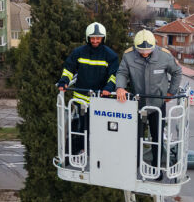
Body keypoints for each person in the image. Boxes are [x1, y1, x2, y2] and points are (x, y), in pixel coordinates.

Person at [115, 29, 183, 173]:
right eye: (141, 51)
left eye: (148, 51)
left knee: (157, 139)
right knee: (135, 137)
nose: (145, 53)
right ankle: (134, 167)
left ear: (154, 46)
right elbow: (122, 72)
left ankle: (156, 168)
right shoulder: (128, 56)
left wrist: (171, 92)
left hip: (157, 105)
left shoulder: (165, 56)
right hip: (137, 105)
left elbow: (177, 72)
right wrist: (120, 87)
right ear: (135, 47)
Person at [57, 22, 119, 154]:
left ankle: (96, 152)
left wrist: (108, 87)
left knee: (99, 129)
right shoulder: (78, 52)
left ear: (103, 38)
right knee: (82, 128)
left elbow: (114, 75)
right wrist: (64, 81)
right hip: (81, 100)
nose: (95, 41)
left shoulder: (110, 55)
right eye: (92, 38)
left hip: (100, 100)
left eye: (98, 38)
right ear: (87, 38)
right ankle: (81, 151)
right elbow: (69, 69)